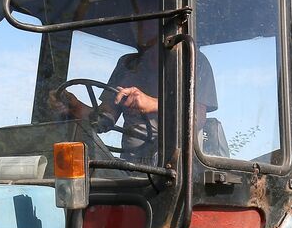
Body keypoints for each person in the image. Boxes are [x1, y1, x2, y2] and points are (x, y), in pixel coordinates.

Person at [52, 19, 218, 164]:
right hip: (130, 169)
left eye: (144, 19)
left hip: (174, 169)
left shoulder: (192, 61)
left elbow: (197, 116)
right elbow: (103, 118)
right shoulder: (127, 64)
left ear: (162, 25)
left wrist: (152, 103)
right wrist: (74, 107)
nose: (136, 25)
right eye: (135, 20)